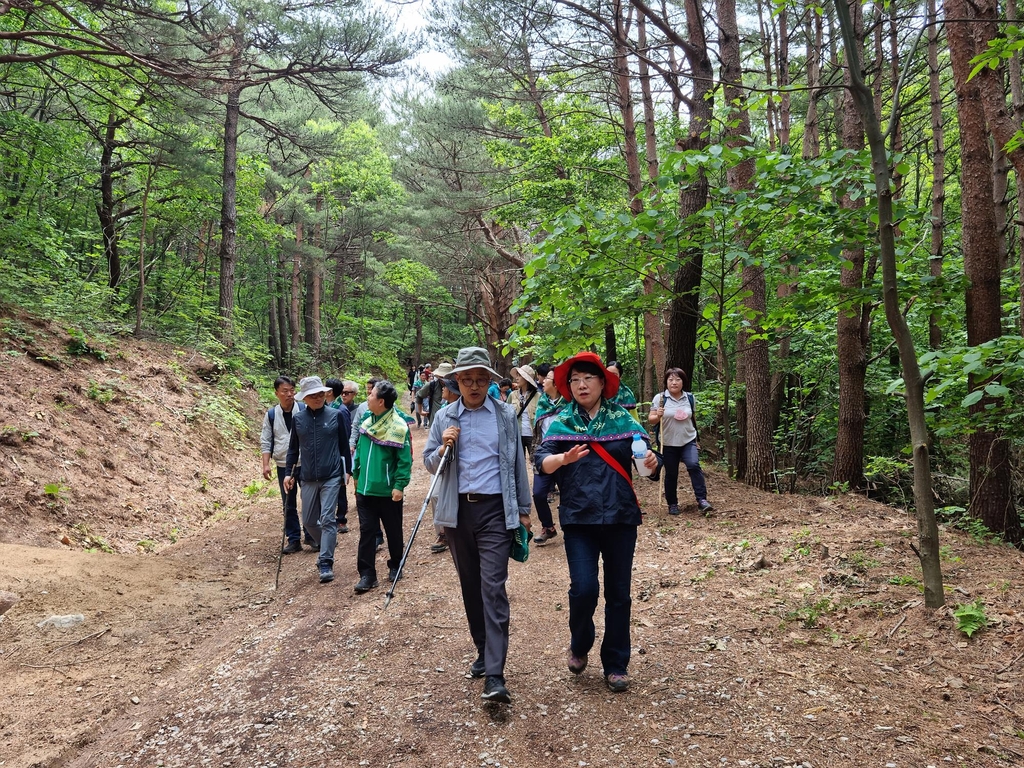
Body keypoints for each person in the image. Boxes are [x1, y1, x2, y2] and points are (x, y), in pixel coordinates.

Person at [534, 352, 660, 693]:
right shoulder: (562, 423)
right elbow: (541, 462)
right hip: (579, 519)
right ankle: (580, 642)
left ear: (603, 383)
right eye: (574, 379)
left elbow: (648, 466)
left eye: (588, 378)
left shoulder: (624, 421)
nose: (581, 384)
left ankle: (616, 663)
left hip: (620, 517)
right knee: (584, 588)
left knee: (619, 594)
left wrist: (651, 459)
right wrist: (563, 457)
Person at [423, 346, 532, 704]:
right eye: (466, 379)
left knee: (492, 587)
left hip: (495, 511)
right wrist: (442, 450)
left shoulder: (504, 415)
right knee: (470, 586)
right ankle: (484, 652)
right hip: (457, 512)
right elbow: (427, 462)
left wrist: (524, 509)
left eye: (480, 379)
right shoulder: (444, 417)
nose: (473, 385)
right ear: (456, 381)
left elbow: (517, 462)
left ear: (490, 381)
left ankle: (496, 675)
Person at [283, 376, 353, 584]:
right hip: (307, 477)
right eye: (313, 395)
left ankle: (325, 562)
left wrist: (347, 471)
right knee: (309, 521)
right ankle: (326, 545)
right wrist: (288, 472)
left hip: (331, 475)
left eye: (321, 394)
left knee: (328, 518)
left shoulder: (336, 415)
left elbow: (344, 445)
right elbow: (293, 449)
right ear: (304, 398)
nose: (318, 398)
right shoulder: (299, 419)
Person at [352, 380, 413, 593]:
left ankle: (396, 564)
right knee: (367, 532)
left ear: (381, 401)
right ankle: (367, 574)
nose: (367, 397)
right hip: (365, 491)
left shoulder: (398, 426)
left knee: (393, 530)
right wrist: (356, 473)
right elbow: (359, 449)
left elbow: (404, 460)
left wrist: (399, 485)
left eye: (371, 395)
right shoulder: (367, 421)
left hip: (388, 491)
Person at [648, 367, 714, 516]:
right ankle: (672, 504)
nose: (674, 382)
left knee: (693, 465)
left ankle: (702, 500)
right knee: (671, 473)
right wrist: (657, 415)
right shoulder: (660, 398)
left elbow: (692, 418)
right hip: (668, 443)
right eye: (670, 379)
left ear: (683, 382)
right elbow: (651, 420)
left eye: (678, 379)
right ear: (666, 382)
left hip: (688, 440)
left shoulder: (689, 398)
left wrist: (697, 439)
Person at [259, 376, 308, 554]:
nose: (289, 394)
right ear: (276, 393)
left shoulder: (303, 409)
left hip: (305, 462)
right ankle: (294, 539)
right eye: (285, 391)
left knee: (309, 500)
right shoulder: (272, 415)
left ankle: (311, 535)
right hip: (282, 464)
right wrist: (266, 465)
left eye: (291, 390)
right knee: (288, 502)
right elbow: (266, 440)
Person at [428, 374, 463, 555]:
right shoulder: (442, 411)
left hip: (455, 464)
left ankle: (450, 530)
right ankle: (442, 532)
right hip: (441, 460)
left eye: (446, 387)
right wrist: (440, 449)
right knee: (435, 494)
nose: (443, 389)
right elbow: (428, 455)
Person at [532, 366, 565, 544]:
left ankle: (571, 526)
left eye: (548, 379)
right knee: (538, 493)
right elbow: (537, 431)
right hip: (544, 454)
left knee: (568, 493)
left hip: (565, 455)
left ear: (557, 384)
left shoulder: (569, 404)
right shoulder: (542, 403)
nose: (543, 381)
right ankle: (548, 527)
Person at [506, 364, 540, 458]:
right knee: (517, 465)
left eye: (519, 375)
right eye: (516, 375)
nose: (516, 378)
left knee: (535, 463)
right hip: (516, 435)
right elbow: (506, 415)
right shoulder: (512, 395)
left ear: (526, 379)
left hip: (532, 436)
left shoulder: (539, 397)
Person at [415, 362, 454, 429]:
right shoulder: (432, 385)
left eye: (446, 376)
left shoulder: (456, 386)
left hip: (451, 424)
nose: (444, 379)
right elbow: (419, 395)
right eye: (442, 376)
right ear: (438, 376)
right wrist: (420, 411)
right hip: (435, 423)